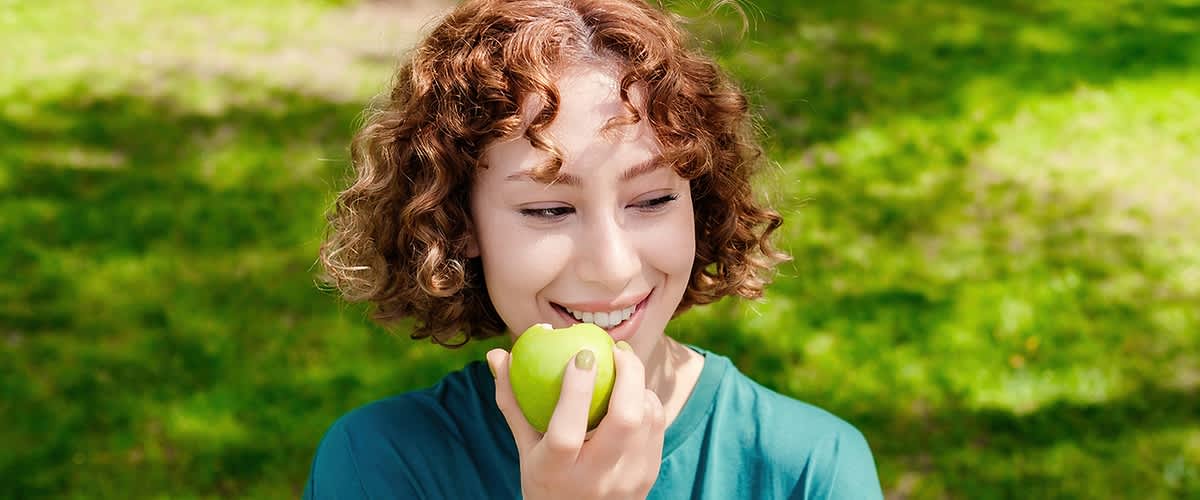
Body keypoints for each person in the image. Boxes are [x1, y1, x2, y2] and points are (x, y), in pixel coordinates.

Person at [303, 0, 884, 498]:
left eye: (653, 199)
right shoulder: (378, 463)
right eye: (549, 210)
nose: (612, 267)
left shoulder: (811, 468)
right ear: (459, 222)